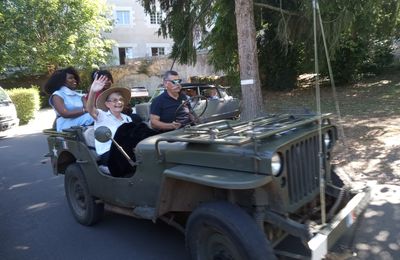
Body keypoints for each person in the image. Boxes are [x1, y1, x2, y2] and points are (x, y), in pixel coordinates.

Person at [86, 75, 132, 169]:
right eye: (114, 100)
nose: (119, 102)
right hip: (109, 153)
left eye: (121, 100)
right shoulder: (102, 116)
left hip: (126, 151)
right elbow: (90, 109)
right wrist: (93, 92)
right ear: (107, 104)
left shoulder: (127, 118)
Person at [43, 67, 94, 132]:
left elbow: (88, 109)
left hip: (83, 121)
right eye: (70, 78)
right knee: (93, 116)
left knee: (101, 114)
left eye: (74, 78)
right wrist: (84, 110)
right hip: (66, 124)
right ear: (62, 81)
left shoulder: (80, 96)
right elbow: (65, 114)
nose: (74, 80)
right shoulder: (57, 95)